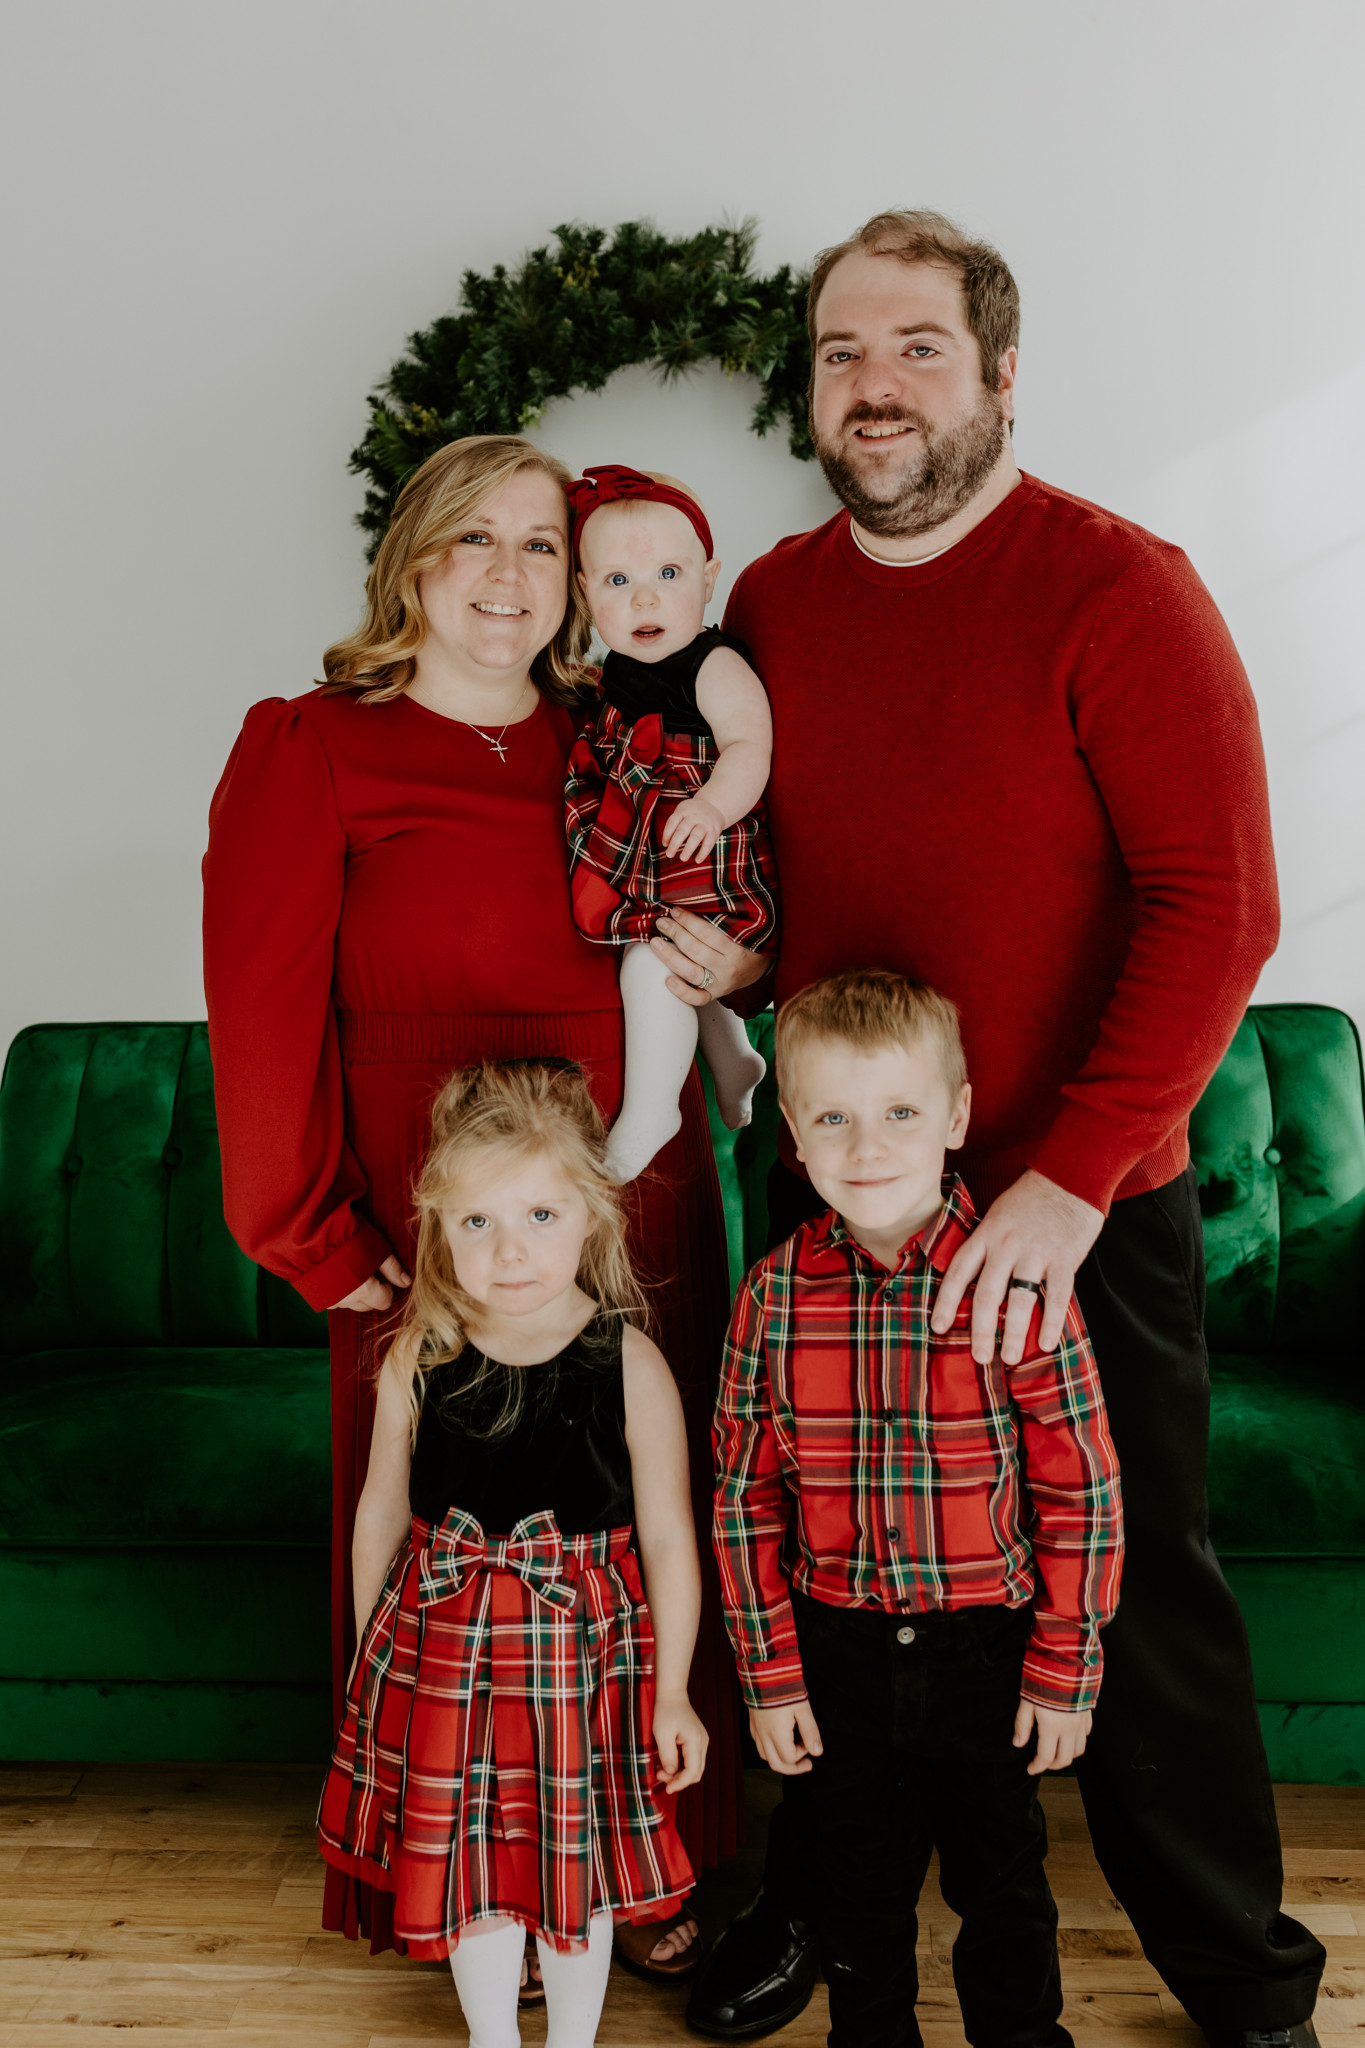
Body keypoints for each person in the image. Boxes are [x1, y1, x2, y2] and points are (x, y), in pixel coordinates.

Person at [687, 211, 1326, 2048]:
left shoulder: (1120, 590)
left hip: (1073, 1209)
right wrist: (745, 957)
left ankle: (1241, 1977)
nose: (872, 386)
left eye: (915, 349)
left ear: (1000, 375)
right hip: (841, 1194)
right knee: (818, 1570)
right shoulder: (776, 607)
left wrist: (1066, 1180)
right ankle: (811, 1908)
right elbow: (803, 884)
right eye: (840, 354)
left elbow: (1220, 906)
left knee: (1138, 1593)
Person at [202, 433, 755, 1975]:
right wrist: (312, 1237)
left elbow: (723, 899)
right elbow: (258, 1014)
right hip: (432, 1214)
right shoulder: (312, 747)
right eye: (475, 540)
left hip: (629, 1192)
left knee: (632, 1526)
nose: (509, 576)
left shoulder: (622, 735)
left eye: (540, 547)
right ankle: (445, 1864)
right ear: (411, 564)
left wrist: (746, 962)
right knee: (449, 1544)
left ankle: (650, 1868)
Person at [713, 970, 1123, 2048]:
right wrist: (769, 1676)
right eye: (832, 1118)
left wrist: (1066, 1665)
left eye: (899, 1111)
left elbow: (1082, 1486)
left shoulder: (1019, 1281)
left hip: (986, 1647)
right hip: (835, 1650)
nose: (867, 1146)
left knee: (1003, 1883)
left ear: (955, 1116)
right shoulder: (771, 1296)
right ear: (792, 1133)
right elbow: (744, 1499)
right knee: (857, 1886)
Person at [318, 1059, 705, 2048]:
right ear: (439, 1228)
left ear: (591, 1217)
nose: (509, 1249)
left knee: (576, 1864)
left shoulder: (627, 1360)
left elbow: (668, 1533)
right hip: (443, 1654)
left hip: (585, 1660)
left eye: (539, 1214)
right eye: (477, 1221)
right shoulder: (419, 1354)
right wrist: (371, 1658)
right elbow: (380, 1511)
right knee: (470, 1865)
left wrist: (671, 1692)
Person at [564, 463, 776, 1182]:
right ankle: (733, 1058)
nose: (645, 596)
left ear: (709, 579)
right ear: (585, 593)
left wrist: (712, 805)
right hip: (656, 851)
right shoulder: (615, 670)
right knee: (674, 955)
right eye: (617, 581)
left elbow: (749, 745)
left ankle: (655, 1110)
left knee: (651, 960)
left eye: (668, 573)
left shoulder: (713, 664)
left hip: (707, 854)